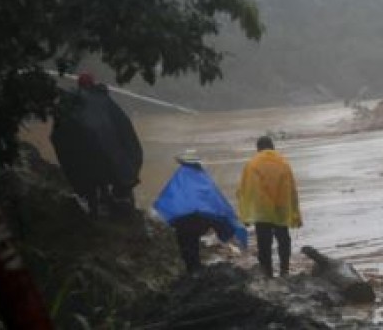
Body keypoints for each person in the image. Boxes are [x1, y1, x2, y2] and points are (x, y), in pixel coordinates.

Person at [51, 72, 142, 218]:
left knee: (92, 182)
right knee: (104, 179)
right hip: (106, 153)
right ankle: (107, 208)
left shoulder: (72, 101)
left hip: (85, 154)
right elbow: (123, 127)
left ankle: (96, 211)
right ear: (92, 84)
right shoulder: (103, 100)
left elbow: (61, 129)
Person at [154, 150, 247, 274]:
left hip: (182, 219)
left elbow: (169, 197)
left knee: (186, 245)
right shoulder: (203, 177)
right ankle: (196, 268)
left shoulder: (179, 177)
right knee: (193, 243)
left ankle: (192, 270)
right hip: (200, 220)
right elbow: (215, 200)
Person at [237, 136, 302, 278]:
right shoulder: (283, 162)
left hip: (262, 210)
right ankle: (284, 269)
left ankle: (268, 273)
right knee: (283, 237)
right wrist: (295, 213)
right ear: (273, 147)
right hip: (281, 207)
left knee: (264, 241)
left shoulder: (252, 164)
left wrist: (245, 215)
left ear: (258, 149)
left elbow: (245, 190)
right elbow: (292, 188)